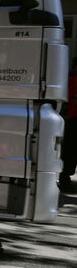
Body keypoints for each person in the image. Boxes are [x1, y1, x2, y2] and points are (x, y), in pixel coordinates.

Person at [60, 58, 77, 192]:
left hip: (70, 119)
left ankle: (65, 179)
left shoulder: (68, 79)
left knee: (68, 152)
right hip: (73, 119)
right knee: (70, 152)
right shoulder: (72, 80)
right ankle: (65, 180)